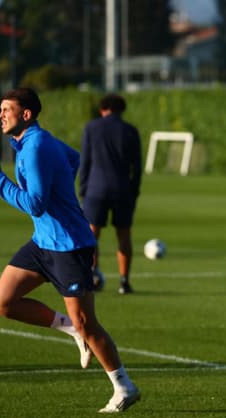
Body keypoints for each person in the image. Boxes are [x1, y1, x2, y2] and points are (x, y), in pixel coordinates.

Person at [0, 88, 140, 413]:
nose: (0, 115)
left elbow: (35, 204)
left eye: (6, 109)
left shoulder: (36, 146)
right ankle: (69, 328)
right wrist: (61, 190)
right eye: (0, 109)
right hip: (43, 243)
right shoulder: (31, 143)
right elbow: (74, 159)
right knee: (3, 302)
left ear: (26, 114)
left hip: (69, 246)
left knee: (88, 323)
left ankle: (124, 386)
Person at [79, 93, 142, 295]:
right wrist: (134, 190)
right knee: (124, 235)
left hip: (95, 189)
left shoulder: (91, 128)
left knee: (91, 235)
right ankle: (124, 281)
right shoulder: (131, 131)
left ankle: (93, 275)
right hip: (122, 189)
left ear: (102, 109)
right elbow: (137, 167)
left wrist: (83, 189)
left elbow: (85, 161)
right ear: (122, 110)